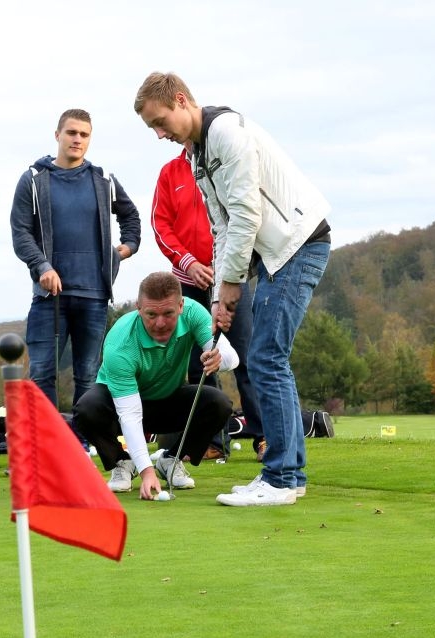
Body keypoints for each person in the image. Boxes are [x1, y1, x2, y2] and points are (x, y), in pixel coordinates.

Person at [134, 72, 331, 507]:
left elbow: (246, 214)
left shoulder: (225, 132)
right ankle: (290, 474)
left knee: (265, 357)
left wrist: (231, 284)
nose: (159, 134)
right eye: (152, 128)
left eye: (160, 122)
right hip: (276, 255)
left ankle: (279, 478)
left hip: (298, 245)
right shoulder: (196, 152)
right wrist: (222, 298)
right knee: (268, 357)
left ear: (181, 101)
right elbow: (221, 228)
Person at [10, 109, 141, 412]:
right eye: (71, 133)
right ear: (58, 135)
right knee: (42, 373)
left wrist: (126, 248)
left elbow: (130, 216)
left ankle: (83, 445)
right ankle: (45, 445)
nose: (77, 139)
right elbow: (20, 234)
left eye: (84, 134)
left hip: (94, 296)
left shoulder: (103, 179)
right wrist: (42, 266)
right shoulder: (33, 180)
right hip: (48, 298)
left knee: (88, 376)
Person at [72, 272, 236, 500]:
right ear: (139, 308)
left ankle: (171, 460)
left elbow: (232, 357)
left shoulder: (194, 313)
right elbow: (129, 414)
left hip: (167, 400)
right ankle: (122, 462)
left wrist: (220, 359)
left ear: (180, 306)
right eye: (151, 314)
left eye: (168, 313)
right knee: (87, 408)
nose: (160, 323)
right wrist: (146, 471)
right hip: (117, 407)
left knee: (218, 403)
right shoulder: (120, 343)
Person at [151, 146, 265, 461]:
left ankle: (264, 438)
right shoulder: (170, 172)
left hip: (230, 278)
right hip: (188, 283)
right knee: (199, 364)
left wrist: (228, 267)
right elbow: (161, 227)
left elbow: (245, 215)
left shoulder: (224, 163)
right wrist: (187, 262)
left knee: (246, 358)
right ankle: (212, 441)